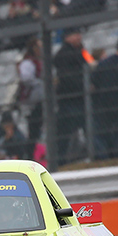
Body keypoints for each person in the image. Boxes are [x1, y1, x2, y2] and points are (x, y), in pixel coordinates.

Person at [53, 27, 87, 166]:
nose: (79, 37)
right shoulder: (65, 55)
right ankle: (60, 163)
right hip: (70, 100)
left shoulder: (81, 52)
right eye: (75, 34)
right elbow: (67, 78)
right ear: (67, 37)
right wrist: (84, 85)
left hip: (76, 100)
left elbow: (89, 65)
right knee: (66, 134)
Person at [16, 37, 44, 145]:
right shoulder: (28, 63)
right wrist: (41, 83)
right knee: (32, 129)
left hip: (39, 100)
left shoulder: (39, 61)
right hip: (31, 102)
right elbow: (26, 79)